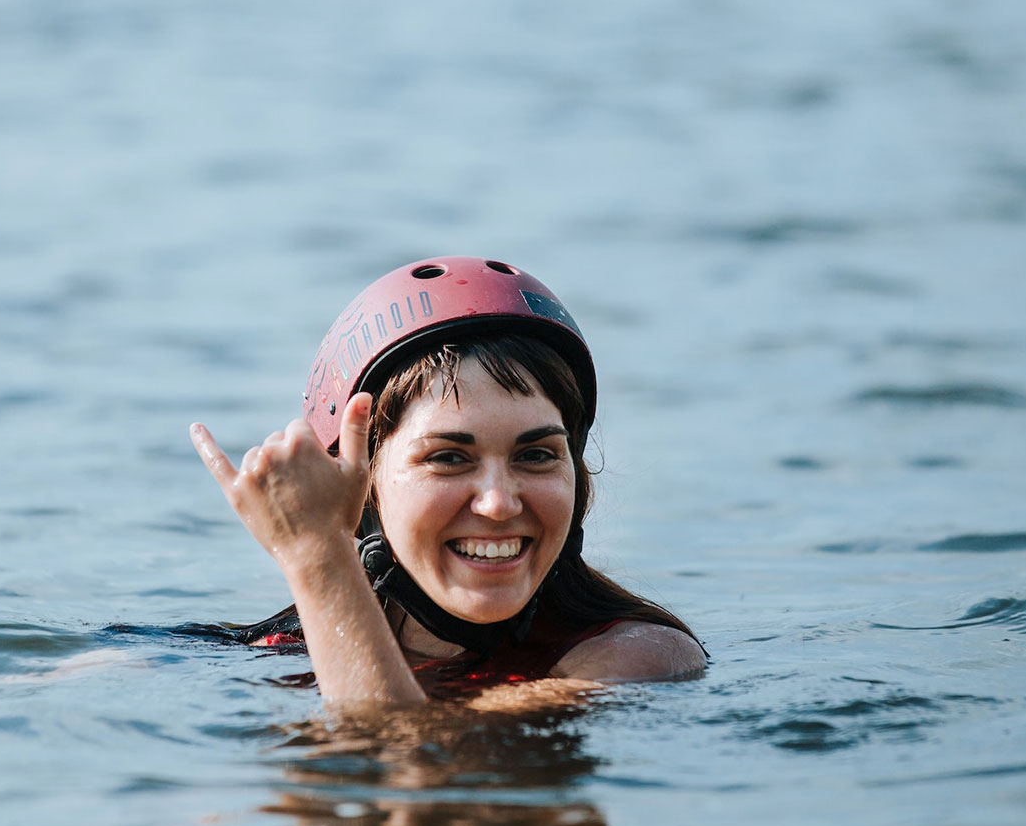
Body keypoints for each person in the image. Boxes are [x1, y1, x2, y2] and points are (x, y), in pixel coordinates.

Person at [190, 256, 706, 704]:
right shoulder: (278, 654)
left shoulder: (632, 658)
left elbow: (395, 755)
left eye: (536, 455)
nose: (499, 503)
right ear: (358, 488)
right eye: (449, 459)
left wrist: (317, 557)